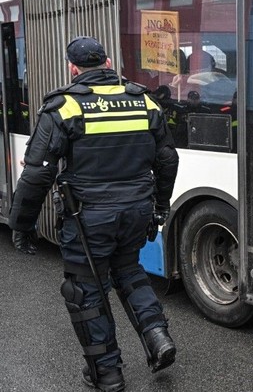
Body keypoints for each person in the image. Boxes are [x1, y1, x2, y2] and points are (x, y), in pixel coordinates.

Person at [7, 36, 179, 391]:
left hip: (89, 217)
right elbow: (167, 160)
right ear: (108, 61)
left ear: (73, 68)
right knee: (129, 271)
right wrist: (160, 207)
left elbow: (38, 172)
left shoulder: (65, 107)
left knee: (85, 291)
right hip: (137, 210)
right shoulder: (143, 100)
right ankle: (157, 336)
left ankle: (108, 374)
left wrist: (21, 225)